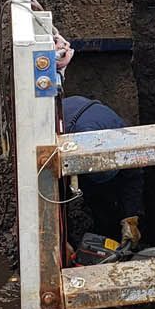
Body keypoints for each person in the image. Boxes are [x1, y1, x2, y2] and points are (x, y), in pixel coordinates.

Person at [53, 33, 142, 250]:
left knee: (106, 198)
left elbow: (133, 174)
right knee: (97, 201)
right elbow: (54, 193)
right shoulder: (65, 144)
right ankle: (100, 227)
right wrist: (59, 240)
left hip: (91, 118)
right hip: (75, 120)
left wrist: (131, 218)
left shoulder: (124, 139)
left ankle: (109, 228)